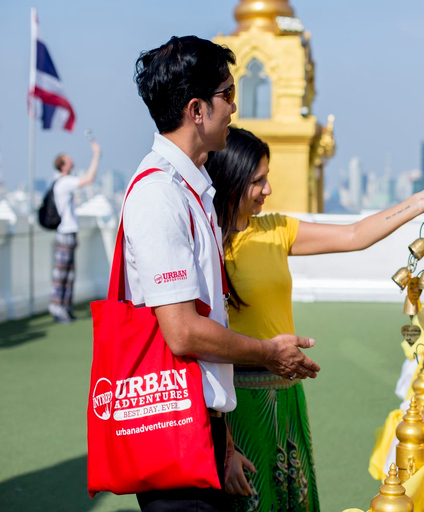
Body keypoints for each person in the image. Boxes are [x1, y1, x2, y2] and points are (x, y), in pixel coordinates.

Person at [206, 127, 424, 511]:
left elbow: (355, 234)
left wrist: (419, 203)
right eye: (257, 180)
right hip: (236, 404)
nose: (268, 189)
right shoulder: (207, 245)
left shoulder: (276, 229)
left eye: (267, 177)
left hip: (288, 396)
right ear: (231, 180)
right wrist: (223, 444)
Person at [127, 36, 321, 512]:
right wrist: (268, 354)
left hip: (203, 425)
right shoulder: (160, 195)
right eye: (227, 95)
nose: (235, 107)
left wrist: (224, 441)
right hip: (172, 429)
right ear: (197, 110)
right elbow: (183, 333)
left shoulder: (193, 192)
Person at [47, 139, 100, 322]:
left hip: (68, 233)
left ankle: (65, 308)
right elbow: (89, 179)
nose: (71, 160)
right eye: (67, 159)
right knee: (62, 274)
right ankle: (57, 308)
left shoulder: (61, 182)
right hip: (65, 233)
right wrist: (96, 155)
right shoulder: (65, 182)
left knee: (68, 274)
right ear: (63, 166)